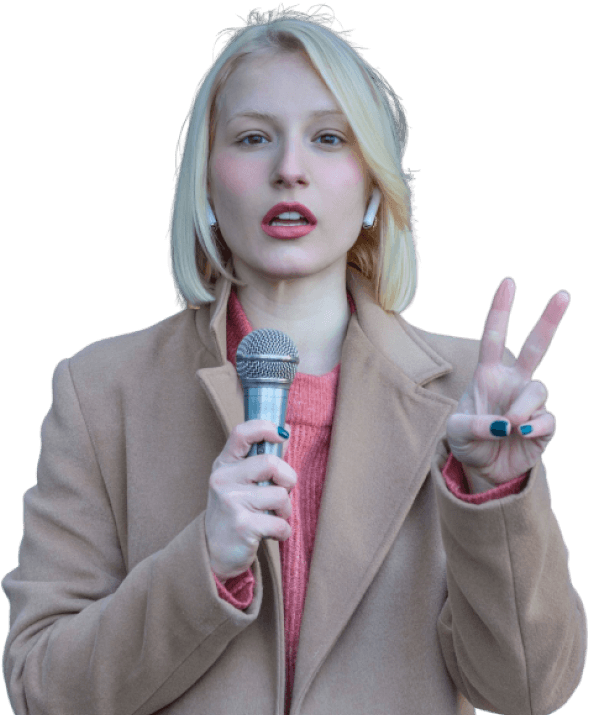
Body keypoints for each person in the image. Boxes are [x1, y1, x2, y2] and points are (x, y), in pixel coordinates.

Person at [1, 6, 585, 715]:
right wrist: (203, 562)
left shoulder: (466, 400)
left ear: (372, 186)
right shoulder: (101, 392)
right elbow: (40, 689)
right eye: (253, 138)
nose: (288, 171)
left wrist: (493, 496)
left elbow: (529, 691)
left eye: (328, 138)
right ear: (206, 183)